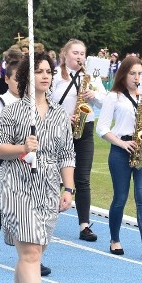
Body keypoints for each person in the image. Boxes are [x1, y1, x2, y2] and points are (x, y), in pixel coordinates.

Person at [0, 51, 75, 283]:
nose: (45, 76)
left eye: (49, 71)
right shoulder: (13, 111)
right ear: (28, 76)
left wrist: (68, 188)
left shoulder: (59, 114)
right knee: (29, 252)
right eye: (39, 71)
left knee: (34, 252)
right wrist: (22, 148)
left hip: (49, 185)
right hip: (17, 184)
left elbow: (67, 153)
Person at [96, 56, 142, 259]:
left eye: (139, 73)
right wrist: (122, 143)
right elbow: (102, 128)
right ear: (123, 74)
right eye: (132, 73)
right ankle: (114, 239)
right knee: (120, 198)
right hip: (121, 150)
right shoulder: (114, 96)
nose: (136, 77)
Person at [52, 39, 105, 242]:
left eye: (82, 53)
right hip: (59, 129)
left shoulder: (91, 77)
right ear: (65, 54)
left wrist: (94, 95)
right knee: (54, 175)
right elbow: (44, 102)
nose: (79, 57)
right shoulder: (55, 75)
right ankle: (47, 217)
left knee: (83, 178)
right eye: (75, 53)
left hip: (85, 129)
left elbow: (104, 102)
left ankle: (84, 225)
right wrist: (63, 117)